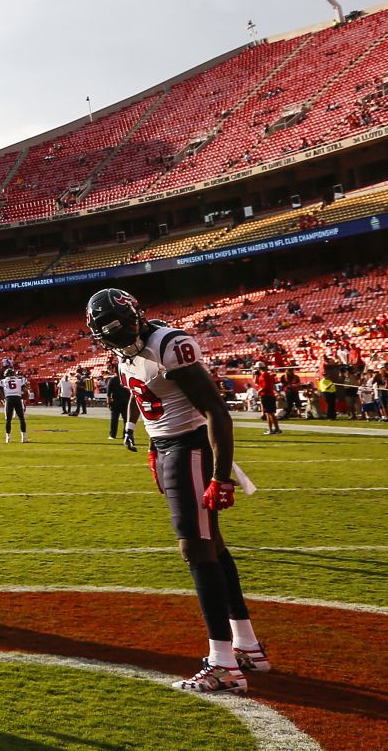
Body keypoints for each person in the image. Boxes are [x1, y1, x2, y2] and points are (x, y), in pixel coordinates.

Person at [87, 288, 267, 693]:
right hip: (168, 449)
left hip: (190, 447)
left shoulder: (169, 345)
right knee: (212, 547)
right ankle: (247, 646)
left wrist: (221, 477)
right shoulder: (123, 354)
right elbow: (145, 398)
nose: (121, 337)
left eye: (124, 328)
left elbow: (216, 412)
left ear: (138, 315)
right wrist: (151, 446)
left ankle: (224, 664)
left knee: (197, 550)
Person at [105, 365, 137, 450]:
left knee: (114, 419)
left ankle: (113, 435)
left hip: (115, 402)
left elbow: (108, 393)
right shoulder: (125, 379)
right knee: (126, 419)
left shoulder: (112, 380)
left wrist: (108, 403)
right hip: (126, 402)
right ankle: (125, 434)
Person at [0, 367, 29, 443]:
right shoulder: (19, 380)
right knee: (21, 419)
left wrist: (4, 400)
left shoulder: (2, 381)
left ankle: (8, 438)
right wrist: (23, 398)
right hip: (17, 398)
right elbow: (25, 391)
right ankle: (24, 438)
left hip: (8, 399)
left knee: (8, 420)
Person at [252, 362, 281, 435]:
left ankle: (271, 429)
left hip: (266, 395)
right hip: (268, 395)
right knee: (270, 413)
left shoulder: (264, 375)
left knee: (269, 413)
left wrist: (259, 391)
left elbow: (265, 386)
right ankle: (275, 428)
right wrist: (255, 375)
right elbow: (256, 383)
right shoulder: (264, 375)